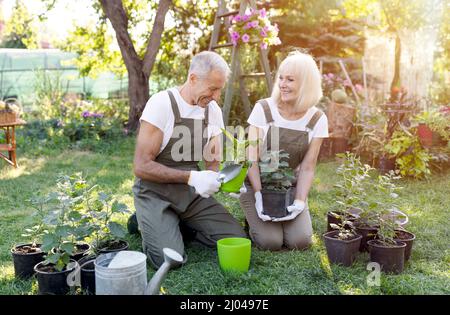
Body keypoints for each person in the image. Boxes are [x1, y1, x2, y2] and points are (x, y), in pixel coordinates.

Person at [132, 51, 246, 269]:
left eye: (219, 89)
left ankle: (176, 222)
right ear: (193, 79)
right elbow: (141, 166)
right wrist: (193, 177)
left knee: (236, 236)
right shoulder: (162, 104)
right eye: (213, 89)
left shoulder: (212, 110)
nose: (216, 96)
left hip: (189, 195)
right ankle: (141, 221)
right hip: (154, 192)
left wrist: (221, 181)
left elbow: (212, 161)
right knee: (170, 259)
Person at [239, 51, 328, 250]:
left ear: (306, 84)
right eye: (281, 78)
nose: (282, 84)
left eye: (290, 80)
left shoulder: (317, 119)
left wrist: (299, 200)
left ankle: (285, 213)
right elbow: (251, 158)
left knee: (301, 241)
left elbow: (307, 166)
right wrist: (259, 195)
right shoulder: (264, 109)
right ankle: (254, 217)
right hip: (256, 184)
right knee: (270, 242)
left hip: (288, 185)